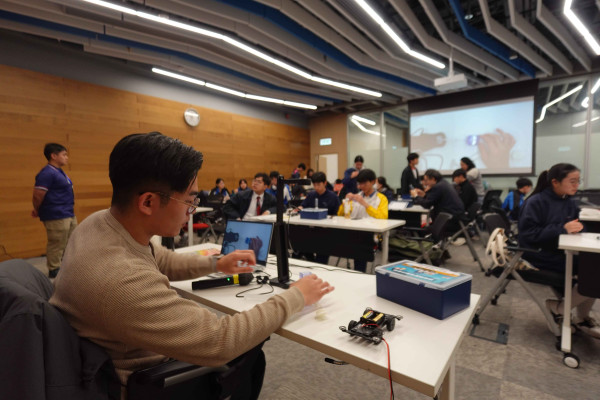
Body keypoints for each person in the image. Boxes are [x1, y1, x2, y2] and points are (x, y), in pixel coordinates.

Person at [49, 132, 334, 398]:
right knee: (251, 353)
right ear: (147, 202)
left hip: (111, 356)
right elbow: (221, 341)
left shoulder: (99, 223)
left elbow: (160, 259)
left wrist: (217, 263)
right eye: (189, 199)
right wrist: (297, 296)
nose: (192, 210)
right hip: (145, 382)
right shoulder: (121, 281)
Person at [518, 163, 599, 338]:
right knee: (593, 270)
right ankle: (561, 308)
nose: (576, 185)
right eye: (572, 181)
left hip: (559, 250)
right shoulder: (535, 202)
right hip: (537, 253)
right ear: (555, 182)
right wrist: (562, 229)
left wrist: (578, 228)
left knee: (593, 265)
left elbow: (577, 224)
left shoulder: (568, 201)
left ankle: (579, 315)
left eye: (578, 181)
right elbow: (528, 235)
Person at [32, 143, 77, 278]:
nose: (67, 157)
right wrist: (37, 209)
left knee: (70, 241)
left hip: (68, 212)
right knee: (57, 242)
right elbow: (37, 195)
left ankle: (66, 265)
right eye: (64, 155)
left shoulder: (59, 172)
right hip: (56, 214)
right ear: (53, 156)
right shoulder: (47, 173)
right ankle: (54, 268)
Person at [337, 169, 388, 272]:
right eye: (360, 184)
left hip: (374, 235)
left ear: (373, 182)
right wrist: (345, 202)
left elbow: (383, 218)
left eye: (364, 183)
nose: (361, 186)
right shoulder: (357, 196)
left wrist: (365, 204)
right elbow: (340, 215)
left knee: (360, 244)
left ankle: (359, 272)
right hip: (355, 232)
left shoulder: (381, 198)